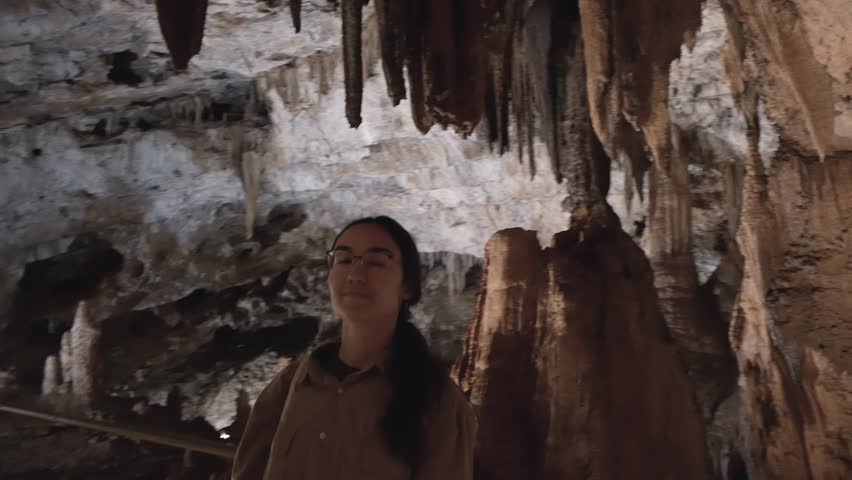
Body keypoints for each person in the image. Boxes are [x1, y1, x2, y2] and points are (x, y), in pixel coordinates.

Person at [231, 216, 476, 480]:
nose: (356, 274)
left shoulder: (440, 402)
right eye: (344, 260)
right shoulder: (291, 383)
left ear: (406, 287)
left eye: (377, 262)